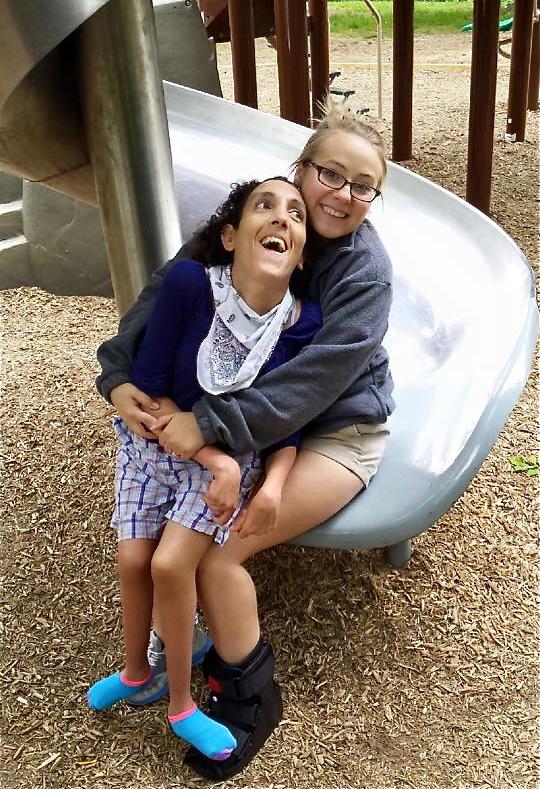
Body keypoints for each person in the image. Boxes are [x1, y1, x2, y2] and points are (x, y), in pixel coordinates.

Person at [96, 99, 394, 779]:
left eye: (362, 185)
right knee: (176, 546)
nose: (341, 194)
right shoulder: (259, 220)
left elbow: (312, 387)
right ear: (302, 167)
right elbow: (160, 301)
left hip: (336, 430)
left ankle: (253, 698)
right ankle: (171, 655)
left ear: (374, 198)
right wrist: (115, 376)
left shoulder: (362, 274)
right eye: (329, 173)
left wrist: (207, 428)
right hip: (256, 428)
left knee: (220, 552)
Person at [88, 177, 322, 765]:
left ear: (300, 257)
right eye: (263, 206)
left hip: (226, 466)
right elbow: (151, 385)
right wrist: (211, 456)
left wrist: (269, 487)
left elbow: (285, 425)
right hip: (157, 442)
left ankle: (183, 706)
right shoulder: (192, 286)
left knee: (171, 564)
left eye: (295, 213)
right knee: (133, 559)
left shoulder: (300, 324)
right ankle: (139, 671)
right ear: (229, 235)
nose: (281, 218)